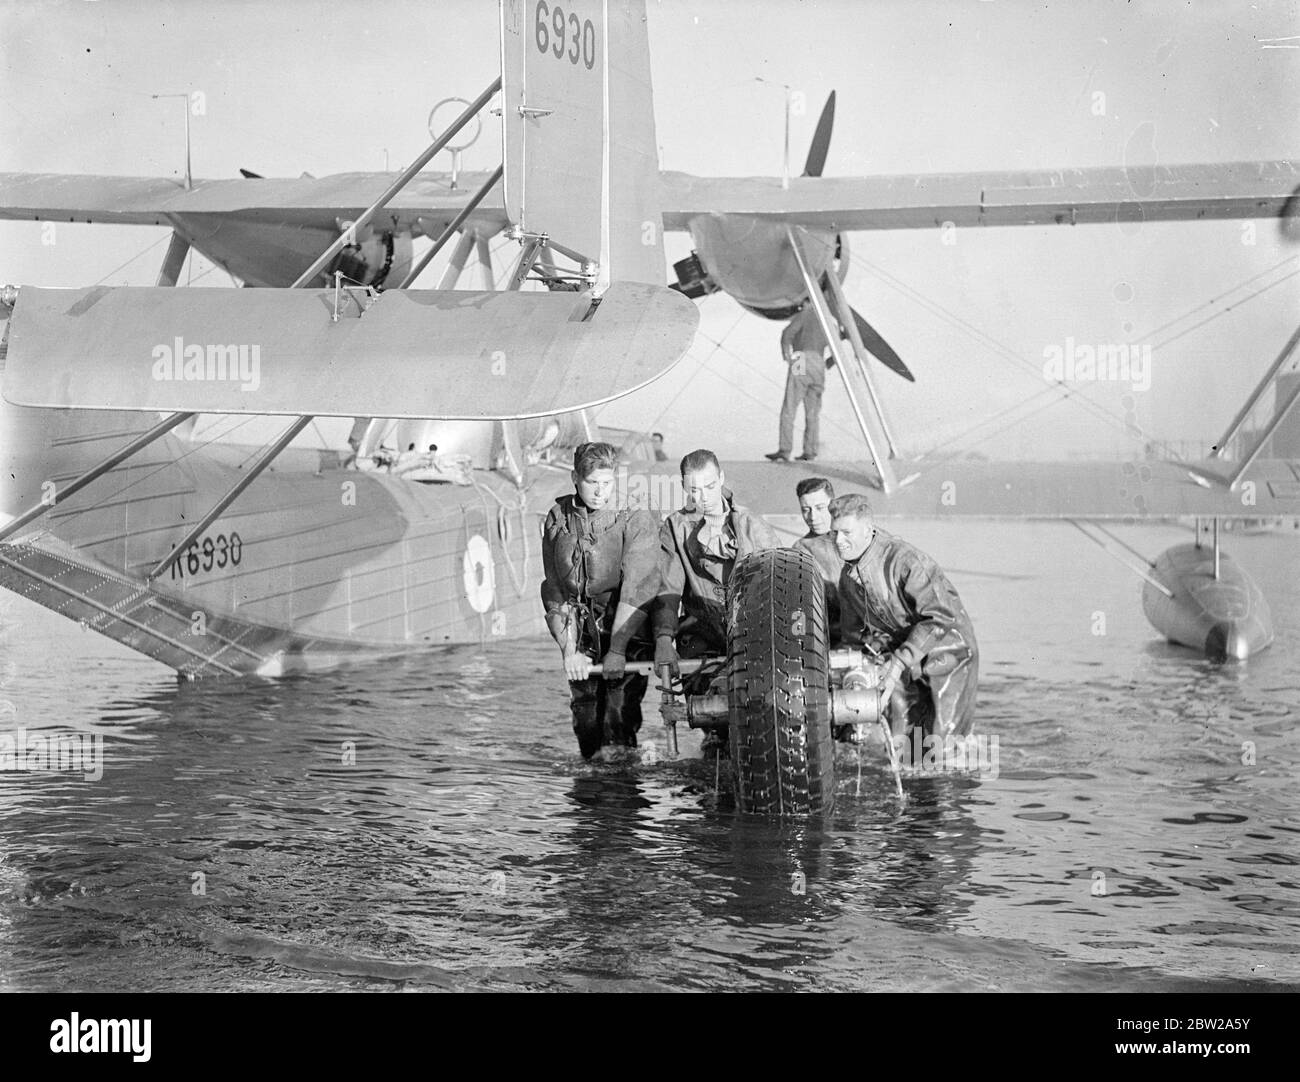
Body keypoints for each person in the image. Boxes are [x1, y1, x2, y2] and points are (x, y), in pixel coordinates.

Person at [828, 492, 979, 750]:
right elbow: (854, 638)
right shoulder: (847, 578)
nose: (838, 541)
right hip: (905, 653)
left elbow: (940, 617)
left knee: (943, 744)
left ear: (867, 529)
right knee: (906, 744)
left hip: (949, 648)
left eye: (846, 533)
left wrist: (897, 663)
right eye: (834, 533)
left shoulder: (905, 561)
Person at [541, 442, 659, 759]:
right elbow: (555, 590)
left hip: (629, 630)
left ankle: (623, 787)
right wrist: (569, 651)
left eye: (607, 483)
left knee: (617, 721)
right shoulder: (557, 520)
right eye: (592, 483)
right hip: (581, 634)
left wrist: (619, 649)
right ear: (575, 478)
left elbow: (639, 587)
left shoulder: (634, 516)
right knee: (588, 727)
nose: (600, 491)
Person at [653, 449, 781, 679]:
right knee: (704, 709)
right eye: (694, 490)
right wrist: (663, 639)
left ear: (721, 478)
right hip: (701, 637)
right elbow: (668, 588)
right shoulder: (675, 527)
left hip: (755, 636)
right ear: (684, 486)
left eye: (710, 487)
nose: (704, 497)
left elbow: (782, 584)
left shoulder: (751, 524)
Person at [767, 305, 832, 463]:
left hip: (801, 358)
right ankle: (810, 451)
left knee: (790, 406)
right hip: (819, 362)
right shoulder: (827, 318)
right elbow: (837, 344)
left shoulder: (806, 313)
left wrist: (787, 355)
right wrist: (828, 364)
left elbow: (787, 333)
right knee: (813, 413)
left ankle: (785, 450)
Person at [791, 477, 842, 642]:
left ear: (833, 504)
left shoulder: (856, 534)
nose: (813, 517)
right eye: (806, 509)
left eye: (820, 508)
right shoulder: (801, 550)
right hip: (835, 637)